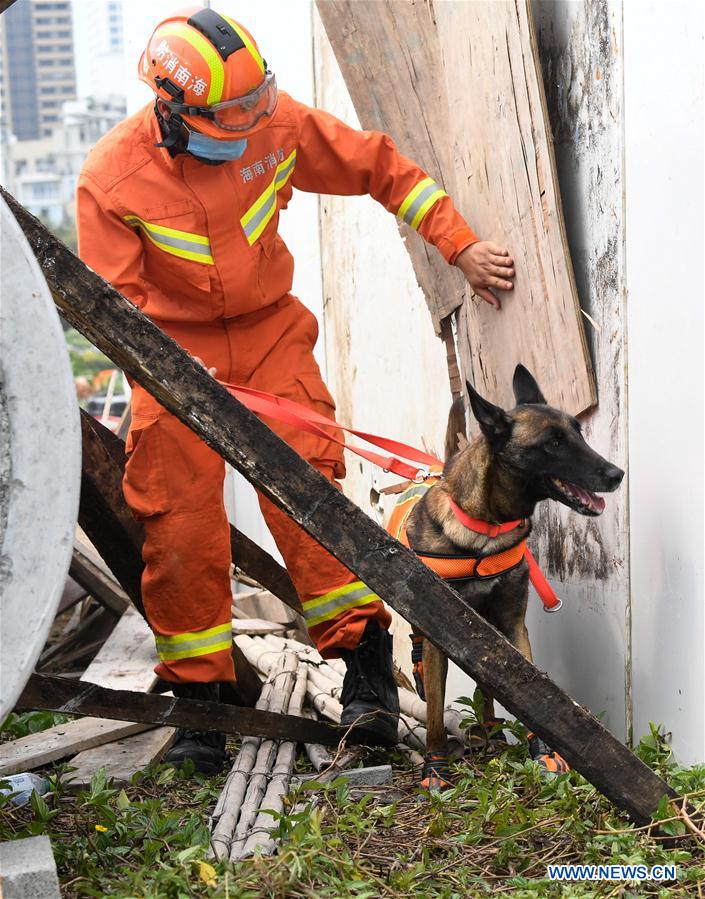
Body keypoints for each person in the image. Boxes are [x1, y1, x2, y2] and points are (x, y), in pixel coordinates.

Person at [77, 6, 515, 774]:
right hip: (169, 360)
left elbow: (380, 167)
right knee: (179, 527)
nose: (250, 121)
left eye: (258, 101)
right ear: (173, 111)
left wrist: (460, 244)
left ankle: (366, 671)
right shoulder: (110, 180)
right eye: (232, 113)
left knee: (308, 497)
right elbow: (112, 308)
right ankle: (202, 706)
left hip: (269, 337)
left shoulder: (273, 127)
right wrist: (169, 367)